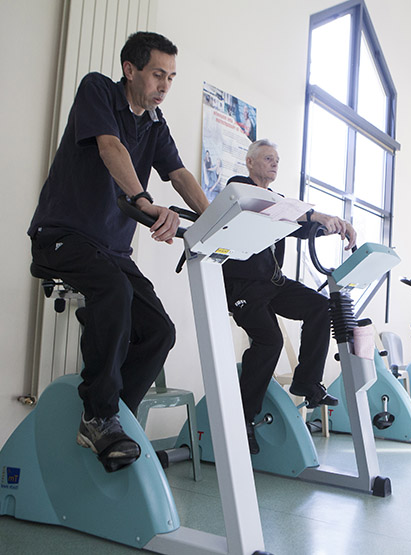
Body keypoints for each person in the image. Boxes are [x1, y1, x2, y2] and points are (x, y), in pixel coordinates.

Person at [27, 32, 209, 472]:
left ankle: (115, 419)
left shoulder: (155, 122)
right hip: (63, 236)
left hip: (111, 249)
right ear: (131, 70)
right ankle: (98, 414)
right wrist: (143, 201)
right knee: (114, 292)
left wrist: (215, 222)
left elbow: (180, 173)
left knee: (160, 331)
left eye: (171, 77)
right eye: (157, 74)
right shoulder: (98, 91)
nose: (164, 85)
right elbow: (110, 147)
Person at [223, 139, 357, 454]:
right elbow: (273, 209)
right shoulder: (239, 188)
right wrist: (316, 215)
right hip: (242, 285)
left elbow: (298, 225)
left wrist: (335, 226)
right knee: (270, 341)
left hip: (273, 282)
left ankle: (307, 383)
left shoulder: (279, 202)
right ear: (250, 162)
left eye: (277, 160)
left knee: (320, 307)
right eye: (268, 158)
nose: (274, 163)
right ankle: (242, 419)